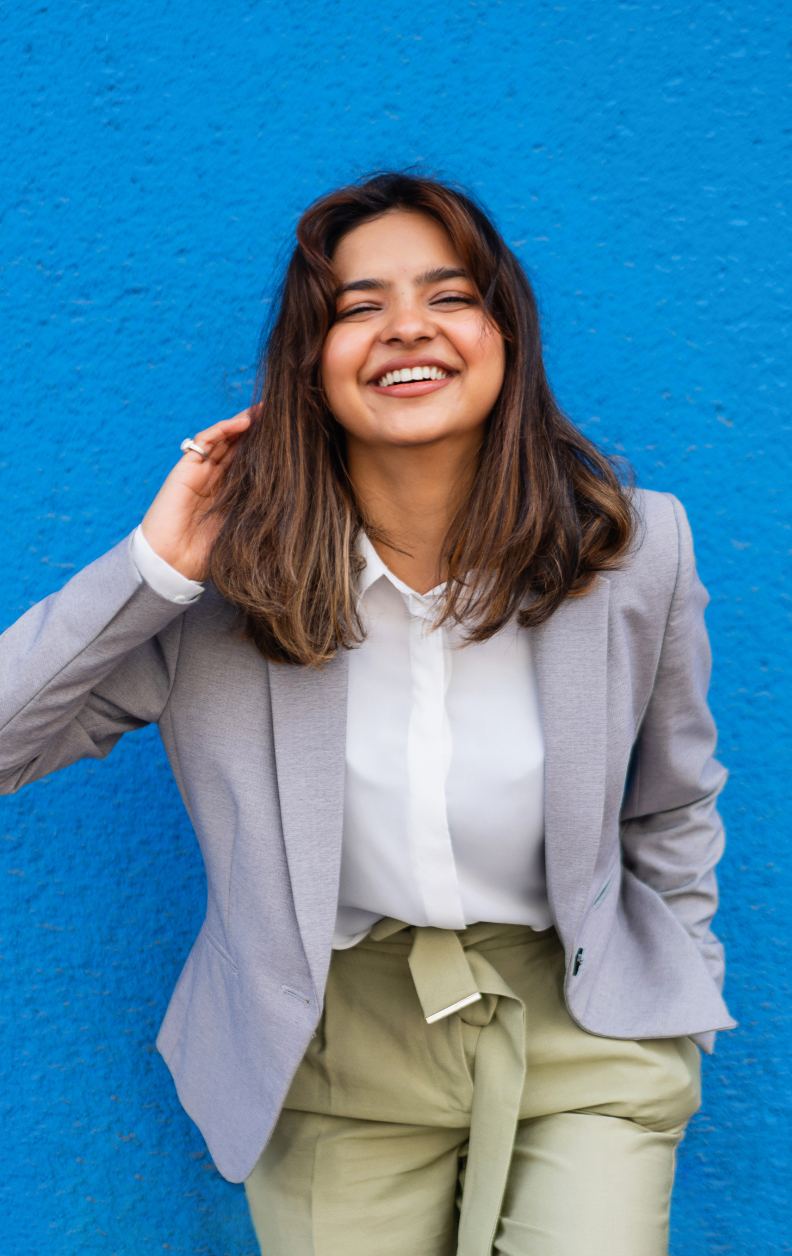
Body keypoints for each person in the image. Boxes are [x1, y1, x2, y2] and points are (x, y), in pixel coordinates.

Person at [0, 172, 734, 1255]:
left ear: (506, 334)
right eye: (358, 306)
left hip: (583, 1025)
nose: (407, 329)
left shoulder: (634, 551)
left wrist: (686, 991)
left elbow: (673, 800)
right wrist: (153, 565)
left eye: (450, 295)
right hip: (333, 1052)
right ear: (311, 360)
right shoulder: (221, 590)